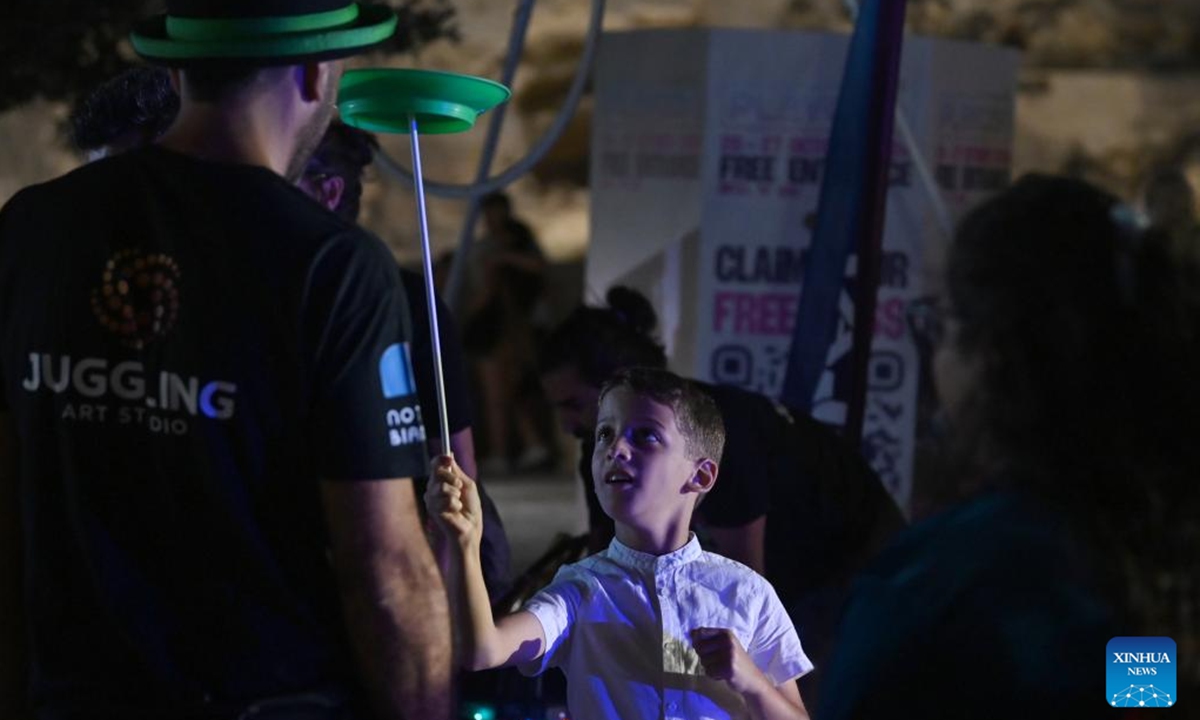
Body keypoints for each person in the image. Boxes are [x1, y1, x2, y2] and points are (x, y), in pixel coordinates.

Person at [0, 2, 453, 719]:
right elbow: (384, 567)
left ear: (180, 67)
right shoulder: (331, 266)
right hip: (268, 700)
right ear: (315, 73)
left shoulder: (34, 225)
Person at [817, 174, 1200, 719]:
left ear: (993, 357)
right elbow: (1138, 701)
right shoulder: (1148, 558)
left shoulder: (936, 584)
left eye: (942, 325)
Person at [537, 286, 904, 691]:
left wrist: (655, 657)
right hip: (799, 563)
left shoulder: (723, 438)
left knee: (796, 679)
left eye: (572, 404)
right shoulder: (602, 445)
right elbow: (607, 569)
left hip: (858, 556)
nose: (567, 426)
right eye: (555, 408)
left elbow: (742, 607)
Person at [427, 367, 812, 720]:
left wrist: (750, 681)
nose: (616, 449)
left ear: (701, 475)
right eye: (605, 434)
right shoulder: (580, 590)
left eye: (645, 435)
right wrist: (464, 542)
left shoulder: (746, 593)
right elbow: (484, 650)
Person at [299, 119, 512, 600]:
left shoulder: (408, 300)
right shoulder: (274, 295)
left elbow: (456, 457)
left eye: (282, 178)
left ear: (328, 190)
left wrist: (446, 577)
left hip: (397, 562)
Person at [462, 191, 552, 474]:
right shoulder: (490, 249)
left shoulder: (507, 248)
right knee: (506, 394)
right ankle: (525, 447)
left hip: (505, 330)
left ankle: (517, 450)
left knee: (505, 394)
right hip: (502, 330)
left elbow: (487, 292)